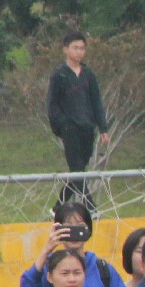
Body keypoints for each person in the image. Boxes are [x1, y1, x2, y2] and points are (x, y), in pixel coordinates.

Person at [17, 201, 127, 287]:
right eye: (68, 227)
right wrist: (46, 250)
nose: (74, 232)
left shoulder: (103, 270)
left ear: (88, 230)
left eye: (80, 227)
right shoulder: (48, 269)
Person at [46, 32, 111, 199]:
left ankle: (58, 207)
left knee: (79, 170)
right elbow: (52, 105)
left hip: (87, 127)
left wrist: (103, 128)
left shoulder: (88, 74)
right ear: (66, 49)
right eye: (75, 48)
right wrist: (62, 124)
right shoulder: (59, 75)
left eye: (82, 48)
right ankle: (90, 206)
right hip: (69, 128)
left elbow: (96, 102)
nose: (79, 52)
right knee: (76, 168)